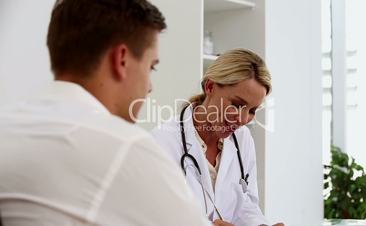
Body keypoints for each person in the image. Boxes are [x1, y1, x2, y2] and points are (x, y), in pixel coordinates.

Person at [0, 0, 209, 225]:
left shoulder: (8, 125)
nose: (150, 86)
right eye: (151, 67)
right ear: (121, 60)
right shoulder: (125, 146)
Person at [152, 49, 284, 226]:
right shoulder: (163, 142)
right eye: (237, 105)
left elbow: (246, 204)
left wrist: (259, 225)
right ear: (210, 87)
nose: (243, 120)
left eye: (252, 110)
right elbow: (155, 217)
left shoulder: (242, 139)